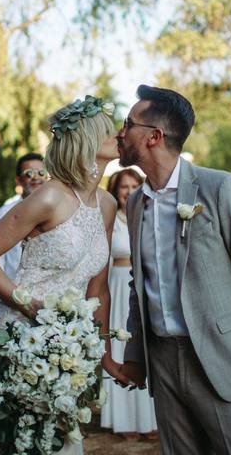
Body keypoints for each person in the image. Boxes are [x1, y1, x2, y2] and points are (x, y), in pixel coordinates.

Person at [117, 85, 231, 455]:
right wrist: (135, 356)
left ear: (154, 136)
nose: (120, 132)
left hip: (226, 359)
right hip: (162, 360)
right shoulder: (134, 205)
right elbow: (137, 283)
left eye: (128, 123)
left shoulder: (221, 188)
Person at [0, 95, 120, 455]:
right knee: (15, 442)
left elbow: (100, 289)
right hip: (19, 336)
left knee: (60, 441)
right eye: (109, 131)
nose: (118, 136)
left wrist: (101, 351)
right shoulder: (48, 197)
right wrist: (28, 304)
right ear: (87, 140)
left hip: (70, 345)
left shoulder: (108, 205)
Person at [101, 168, 157, 440]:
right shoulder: (112, 220)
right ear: (115, 190)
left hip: (144, 288)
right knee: (122, 346)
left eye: (135, 185)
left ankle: (151, 420)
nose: (130, 191)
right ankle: (124, 421)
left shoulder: (148, 218)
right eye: (124, 186)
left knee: (147, 347)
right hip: (118, 287)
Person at [0, 153, 48, 282]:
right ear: (18, 180)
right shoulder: (5, 212)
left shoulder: (59, 210)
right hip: (12, 288)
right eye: (29, 173)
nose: (35, 178)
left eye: (41, 173)